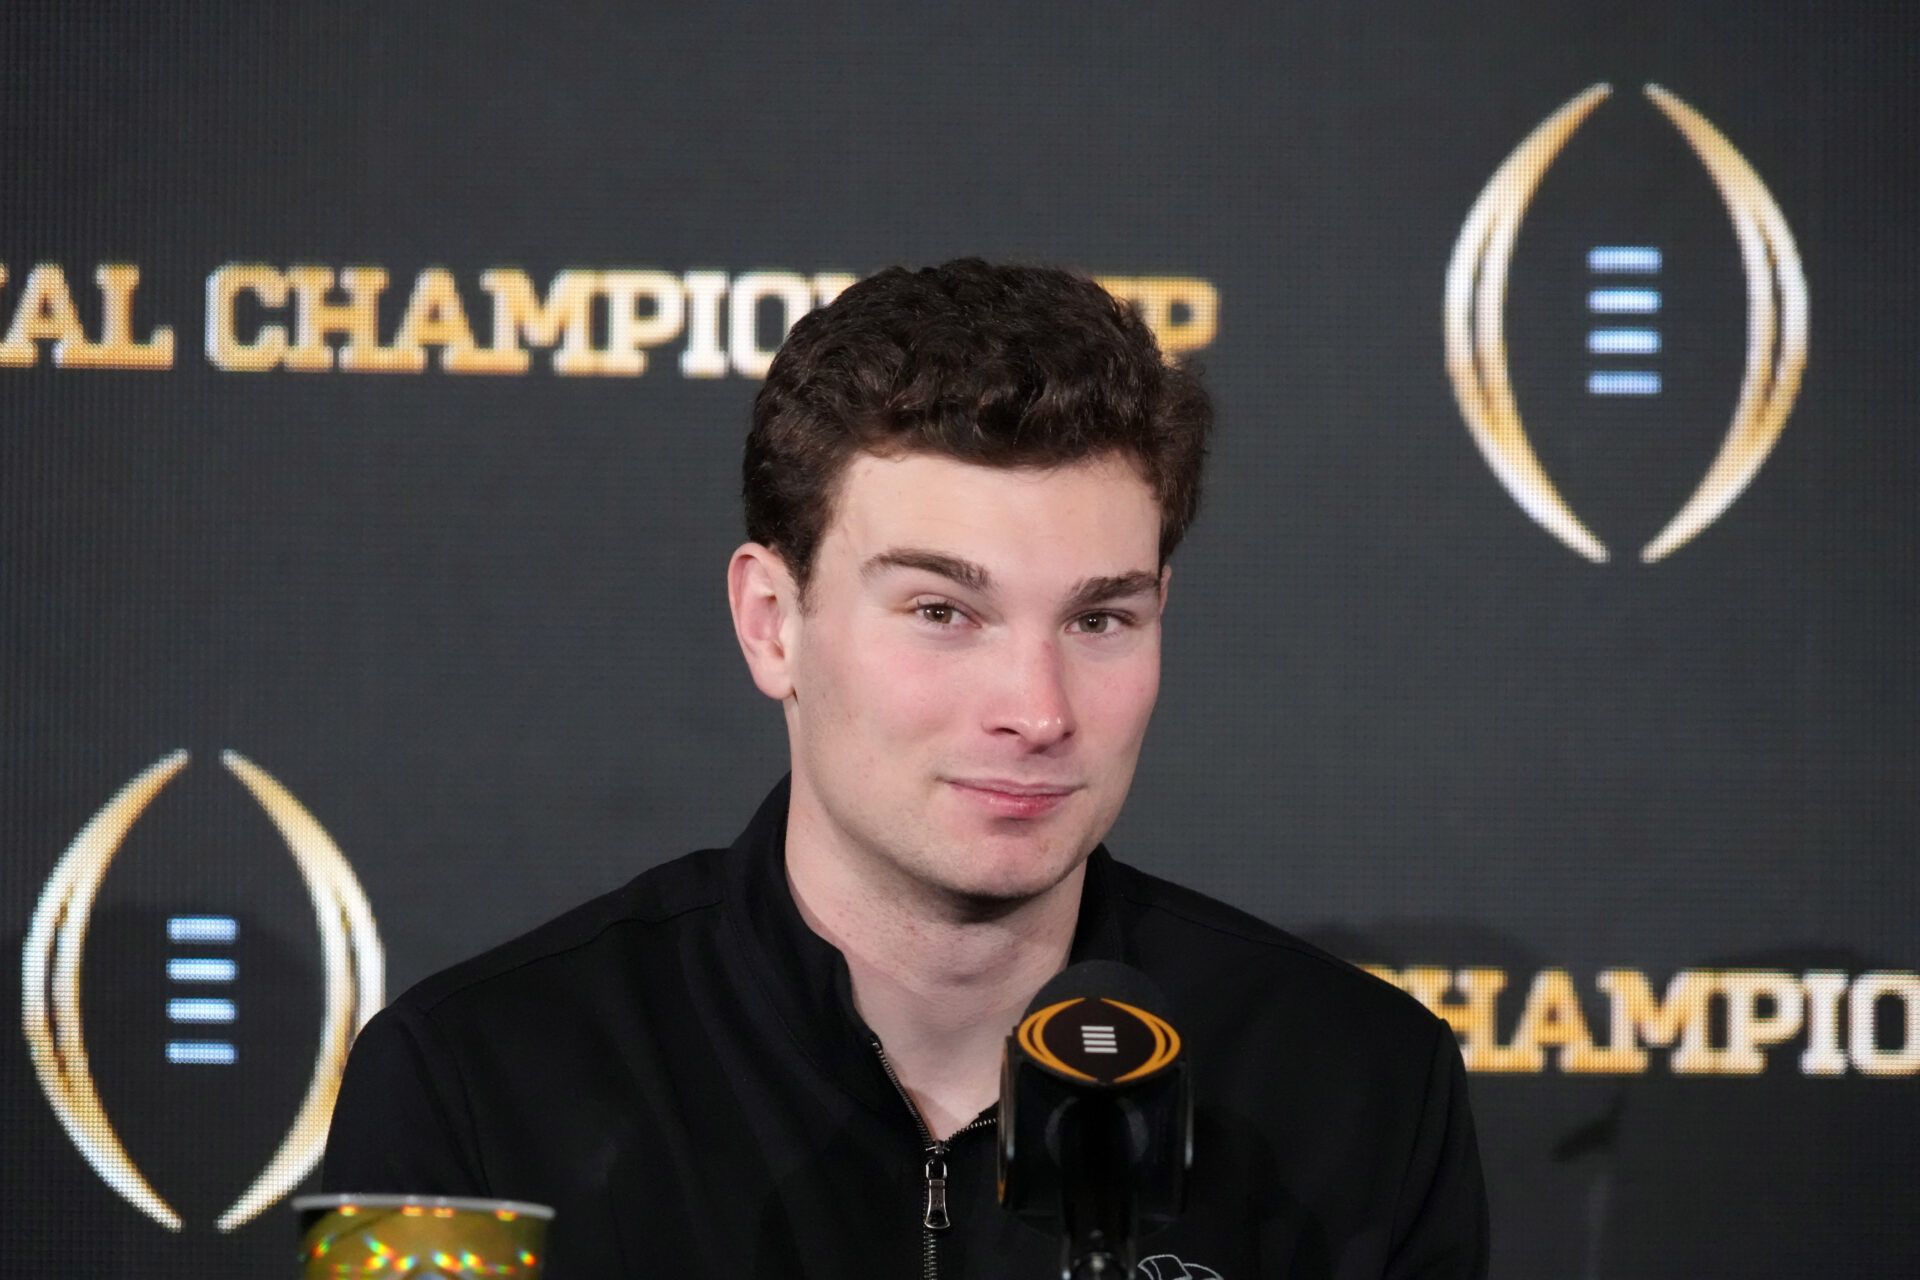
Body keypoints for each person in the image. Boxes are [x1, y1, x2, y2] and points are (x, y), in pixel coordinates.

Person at [321, 259, 1489, 1278]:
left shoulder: (1362, 1088)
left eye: (1100, 621)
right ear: (773, 620)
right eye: (942, 610)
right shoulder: (472, 1088)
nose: (1037, 711)